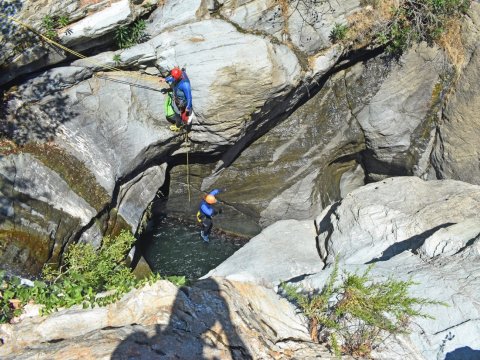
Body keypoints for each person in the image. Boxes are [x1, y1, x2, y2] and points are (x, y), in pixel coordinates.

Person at [161, 67, 193, 132]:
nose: (172, 78)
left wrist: (188, 107)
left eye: (174, 77)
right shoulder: (181, 73)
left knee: (177, 112)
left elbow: (189, 97)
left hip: (182, 102)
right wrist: (165, 79)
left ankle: (178, 125)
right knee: (176, 107)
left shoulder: (185, 84)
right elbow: (173, 77)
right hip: (177, 96)